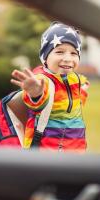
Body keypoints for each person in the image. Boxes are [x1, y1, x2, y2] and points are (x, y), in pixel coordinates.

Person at [10, 22, 89, 152]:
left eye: (74, 53)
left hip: (76, 148)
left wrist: (83, 91)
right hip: (47, 151)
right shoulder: (42, 79)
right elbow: (37, 101)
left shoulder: (75, 79)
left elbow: (74, 104)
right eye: (59, 52)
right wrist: (35, 93)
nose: (68, 58)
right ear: (45, 57)